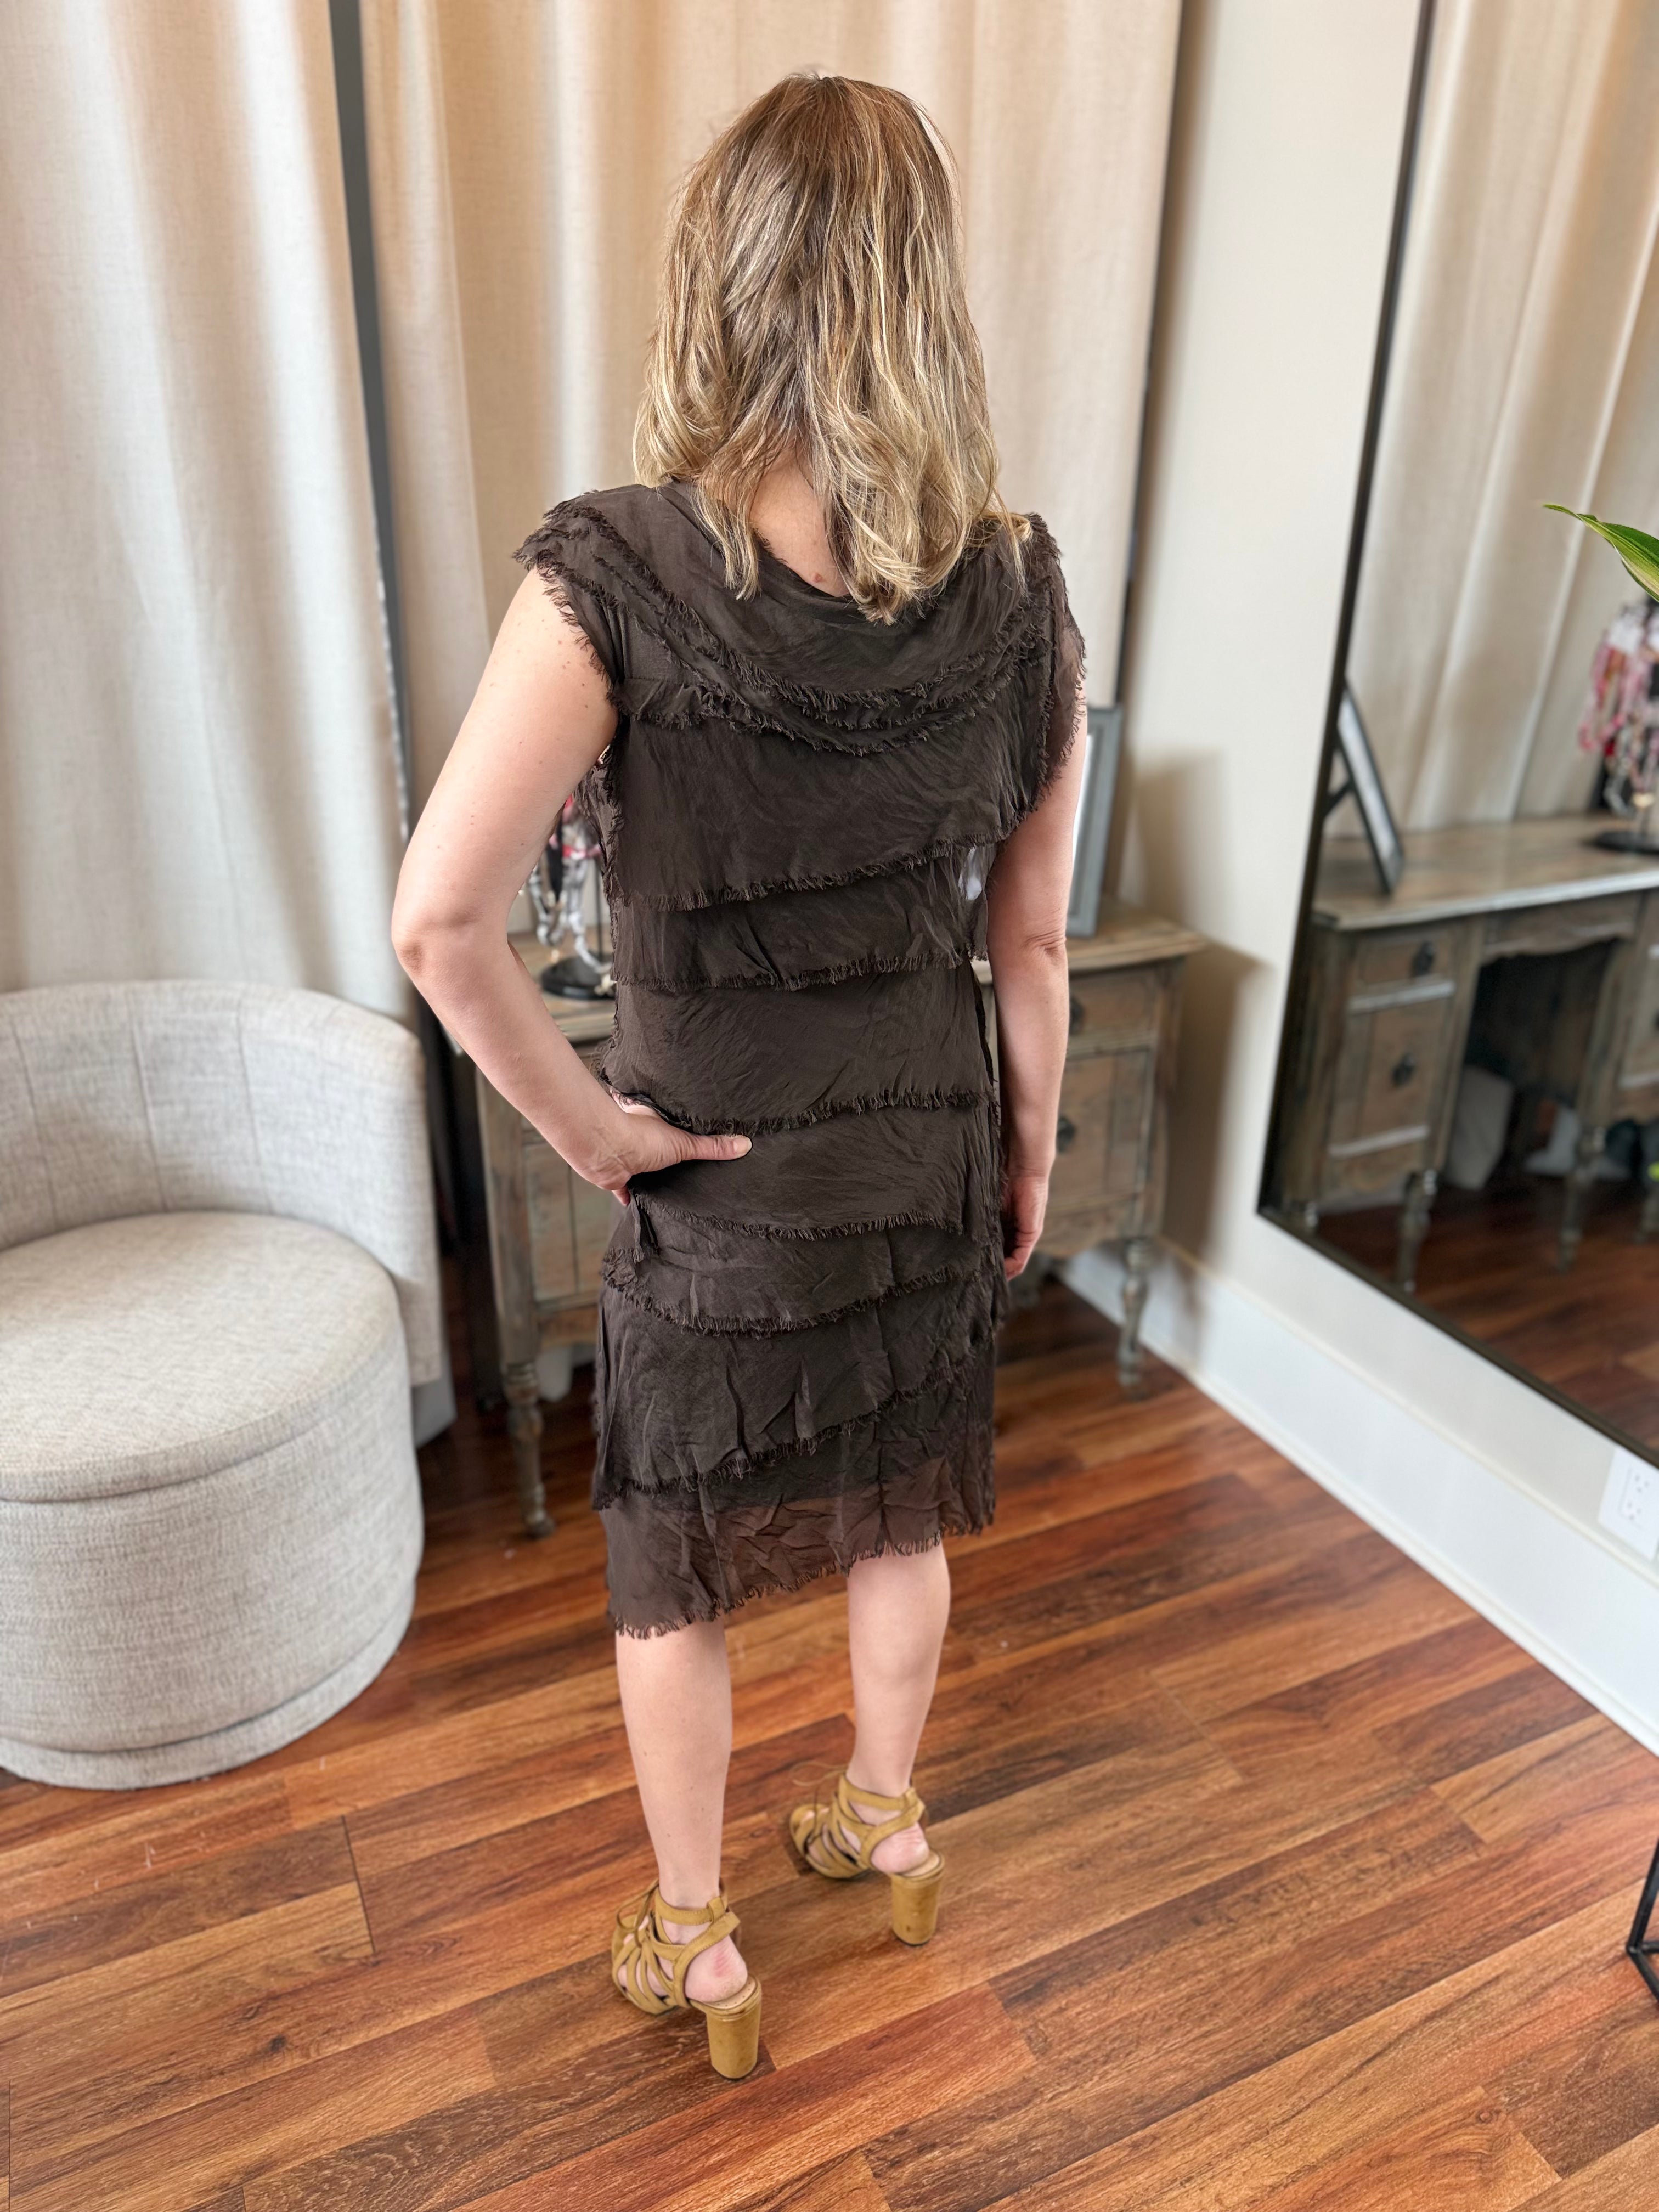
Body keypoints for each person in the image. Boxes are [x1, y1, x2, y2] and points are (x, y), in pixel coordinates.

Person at [392, 70, 1085, 2081]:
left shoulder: (614, 575)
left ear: (722, 274)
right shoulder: (1020, 583)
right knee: (897, 1517)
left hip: (718, 1189)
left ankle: (699, 1938)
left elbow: (442, 925)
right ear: (921, 295)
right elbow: (1027, 941)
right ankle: (887, 1817)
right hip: (928, 1159)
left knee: (676, 1562)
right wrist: (1025, 1159)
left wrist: (596, 1130)